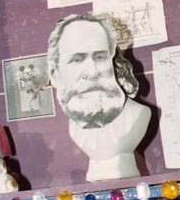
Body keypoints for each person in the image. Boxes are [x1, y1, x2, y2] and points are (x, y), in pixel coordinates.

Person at [47, 14, 151, 182]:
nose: (92, 71)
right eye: (77, 59)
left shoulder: (138, 114)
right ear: (55, 73)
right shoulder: (74, 126)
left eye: (100, 57)